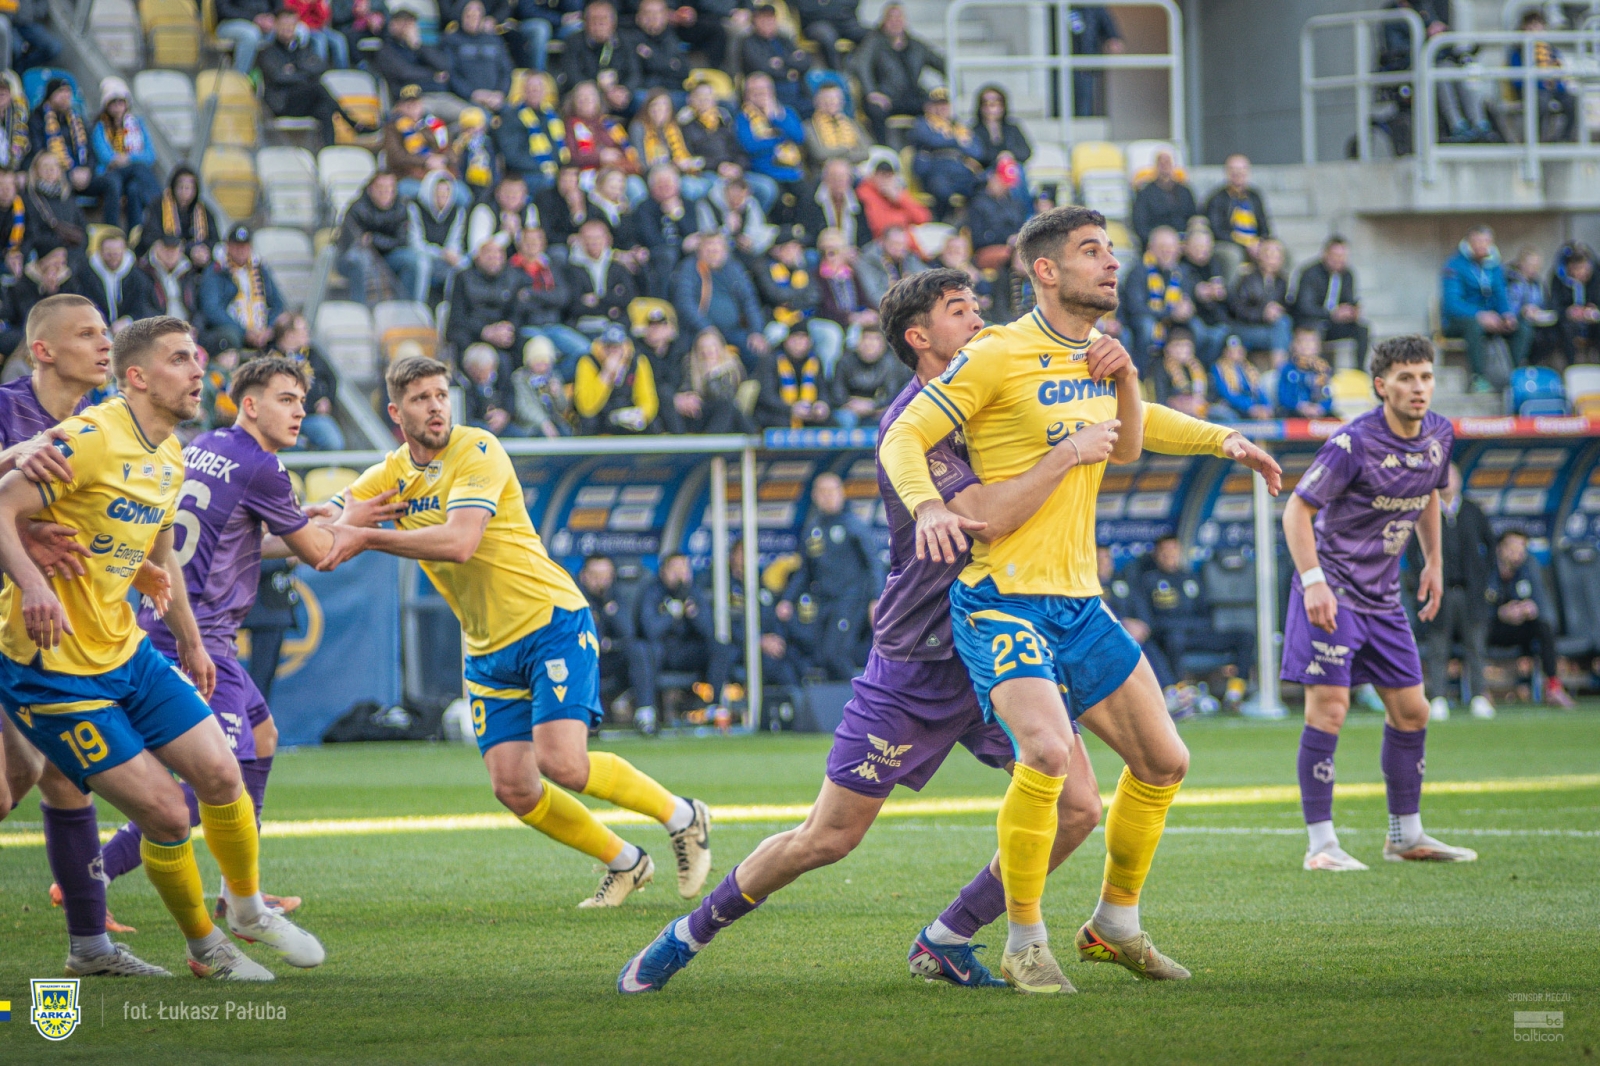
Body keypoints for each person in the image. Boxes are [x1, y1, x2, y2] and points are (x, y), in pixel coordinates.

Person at [616, 269, 1115, 995]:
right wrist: (1068, 451)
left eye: (978, 307)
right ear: (920, 338)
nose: (979, 320)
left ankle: (948, 937)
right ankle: (685, 935)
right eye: (959, 311)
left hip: (1004, 641)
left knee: (1078, 807)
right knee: (829, 837)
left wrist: (1106, 367)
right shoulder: (911, 422)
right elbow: (983, 515)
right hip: (921, 659)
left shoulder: (1000, 394)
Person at [878, 206, 1281, 992]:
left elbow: (1130, 435)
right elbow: (903, 435)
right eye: (1092, 251)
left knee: (1165, 761)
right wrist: (928, 507)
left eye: (1110, 250)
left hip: (1079, 603)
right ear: (1046, 270)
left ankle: (1114, 923)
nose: (1111, 263)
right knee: (1047, 752)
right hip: (1001, 596)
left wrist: (1222, 439)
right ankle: (1023, 939)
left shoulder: (1094, 355)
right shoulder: (996, 352)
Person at [319, 355, 715, 907]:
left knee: (563, 764)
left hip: (549, 622)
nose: (435, 406)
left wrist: (366, 536)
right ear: (395, 412)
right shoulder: (390, 475)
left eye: (441, 395)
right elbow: (323, 522)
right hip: (487, 647)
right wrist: (249, 532)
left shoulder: (477, 448)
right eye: (420, 398)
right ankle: (626, 861)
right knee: (514, 787)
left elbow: (460, 542)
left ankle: (683, 815)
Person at [0, 315, 327, 980]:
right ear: (139, 377)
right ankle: (206, 947)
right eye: (180, 359)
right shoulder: (91, 438)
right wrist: (32, 584)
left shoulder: (173, 451)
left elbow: (160, 550)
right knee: (167, 814)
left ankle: (247, 909)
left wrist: (189, 639)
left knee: (222, 775)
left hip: (126, 651)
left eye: (197, 357)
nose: (198, 371)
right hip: (52, 667)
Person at [94, 356, 349, 910]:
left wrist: (306, 523)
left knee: (262, 737)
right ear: (250, 405)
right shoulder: (262, 466)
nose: (299, 412)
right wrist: (361, 523)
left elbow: (240, 537)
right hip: (197, 637)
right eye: (286, 399)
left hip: (176, 623)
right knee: (208, 785)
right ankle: (92, 875)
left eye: (302, 401)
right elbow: (320, 556)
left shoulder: (206, 444)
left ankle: (241, 890)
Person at [0, 295, 171, 976]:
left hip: (39, 634)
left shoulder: (106, 421)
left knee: (62, 781)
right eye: (86, 334)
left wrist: (138, 568)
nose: (106, 344)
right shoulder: (10, 412)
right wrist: (12, 457)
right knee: (14, 782)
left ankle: (90, 949)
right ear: (43, 351)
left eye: (107, 332)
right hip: (17, 623)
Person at [1282, 334, 1478, 872]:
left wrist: (1434, 561)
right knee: (1330, 709)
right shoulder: (1353, 443)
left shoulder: (1439, 434)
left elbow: (1429, 493)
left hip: (1384, 597)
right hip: (1333, 591)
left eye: (1426, 377)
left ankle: (1405, 835)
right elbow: (1296, 511)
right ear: (1380, 386)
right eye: (1406, 378)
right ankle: (1321, 845)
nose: (1419, 388)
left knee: (1414, 711)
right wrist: (1314, 582)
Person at [1408, 463, 1495, 720]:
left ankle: (1478, 696)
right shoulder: (1424, 510)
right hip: (1439, 592)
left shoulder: (1472, 511)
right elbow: (1412, 552)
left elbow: (1490, 547)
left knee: (1475, 645)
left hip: (1471, 592)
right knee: (1438, 645)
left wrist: (1483, 579)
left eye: (1451, 476)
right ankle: (1438, 697)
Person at [1136, 535, 1253, 707]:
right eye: (1165, 551)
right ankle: (1179, 694)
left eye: (1173, 550)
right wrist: (1178, 626)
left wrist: (1187, 625)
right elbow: (1150, 623)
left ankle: (1235, 694)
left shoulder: (1191, 578)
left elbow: (1206, 616)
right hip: (1170, 638)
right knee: (1175, 638)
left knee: (1245, 637)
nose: (1170, 555)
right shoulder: (1148, 581)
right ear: (1157, 554)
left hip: (1197, 635)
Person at [630, 553, 736, 731]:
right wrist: (673, 615)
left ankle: (714, 706)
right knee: (643, 649)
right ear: (663, 572)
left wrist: (693, 614)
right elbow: (650, 631)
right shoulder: (652, 591)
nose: (680, 575)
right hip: (660, 653)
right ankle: (646, 713)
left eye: (684, 570)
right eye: (675, 570)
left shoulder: (694, 592)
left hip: (686, 652)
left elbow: (708, 631)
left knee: (720, 647)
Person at [1485, 530, 1575, 708]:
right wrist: (1500, 613)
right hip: (1493, 629)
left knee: (1543, 627)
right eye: (1512, 548)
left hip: (1519, 628)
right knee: (1475, 630)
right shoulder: (1485, 568)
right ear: (1499, 549)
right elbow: (1476, 609)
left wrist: (1529, 609)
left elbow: (1541, 605)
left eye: (1521, 549)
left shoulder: (1529, 566)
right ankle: (1479, 691)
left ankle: (1553, 688)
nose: (1517, 554)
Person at [1440, 224, 1533, 391]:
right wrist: (1480, 315)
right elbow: (1452, 304)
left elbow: (1500, 294)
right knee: (1474, 326)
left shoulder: (1494, 266)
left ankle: (1515, 376)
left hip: (1491, 318)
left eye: (1486, 242)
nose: (1482, 246)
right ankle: (1478, 377)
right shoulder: (1454, 266)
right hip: (1460, 321)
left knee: (1522, 327)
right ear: (1469, 243)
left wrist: (1506, 315)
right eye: (1478, 242)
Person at [850, 3, 944, 143]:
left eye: (899, 18)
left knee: (940, 105)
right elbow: (860, 65)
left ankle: (935, 145)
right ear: (884, 21)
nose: (895, 22)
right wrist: (871, 92)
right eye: (891, 18)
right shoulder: (873, 42)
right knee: (874, 109)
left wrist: (948, 88)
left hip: (913, 96)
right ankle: (882, 148)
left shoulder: (916, 45)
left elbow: (941, 63)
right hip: (886, 96)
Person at [671, 232, 768, 361]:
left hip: (734, 330)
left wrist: (756, 331)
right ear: (699, 250)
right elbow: (685, 303)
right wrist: (706, 328)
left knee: (757, 352)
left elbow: (749, 300)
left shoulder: (734, 268)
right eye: (709, 248)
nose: (714, 252)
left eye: (717, 248)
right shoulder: (689, 268)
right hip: (700, 330)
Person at [1119, 225, 1199, 376]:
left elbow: (1187, 300)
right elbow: (1135, 308)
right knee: (1147, 326)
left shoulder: (1182, 272)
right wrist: (1170, 313)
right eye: (1162, 247)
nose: (1168, 252)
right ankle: (1139, 375)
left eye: (1172, 248)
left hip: (1173, 322)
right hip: (1142, 322)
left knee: (1198, 329)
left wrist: (1187, 309)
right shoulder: (1137, 271)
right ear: (1151, 248)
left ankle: (1196, 379)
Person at [258, 9, 346, 145]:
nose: (288, 29)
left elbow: (321, 67)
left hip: (302, 101)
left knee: (324, 109)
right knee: (317, 88)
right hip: (282, 103)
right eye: (284, 25)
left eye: (291, 25)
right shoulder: (268, 51)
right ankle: (351, 121)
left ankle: (329, 151)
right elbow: (278, 77)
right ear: (276, 26)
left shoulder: (301, 49)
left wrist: (295, 69)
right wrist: (305, 74)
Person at [509, 227, 589, 372]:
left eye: (536, 241)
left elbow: (562, 297)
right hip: (527, 327)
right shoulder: (511, 269)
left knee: (585, 351)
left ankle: (558, 376)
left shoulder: (550, 268)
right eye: (528, 241)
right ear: (519, 244)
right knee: (542, 353)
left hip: (553, 325)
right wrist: (547, 297)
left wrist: (531, 294)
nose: (532, 244)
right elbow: (517, 304)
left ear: (543, 244)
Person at [197, 226, 285, 355]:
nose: (241, 250)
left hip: (261, 326)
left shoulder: (261, 269)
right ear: (228, 246)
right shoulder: (216, 270)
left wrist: (269, 328)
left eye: (245, 246)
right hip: (233, 328)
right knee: (229, 337)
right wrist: (243, 331)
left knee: (290, 329)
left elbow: (278, 303)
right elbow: (212, 309)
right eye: (236, 246)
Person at [89, 78, 161, 235]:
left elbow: (150, 155)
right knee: (138, 169)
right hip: (110, 172)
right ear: (106, 105)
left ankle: (135, 234)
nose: (118, 106)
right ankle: (160, 207)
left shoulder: (138, 124)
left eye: (121, 102)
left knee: (134, 188)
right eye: (113, 102)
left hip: (131, 173)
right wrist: (129, 159)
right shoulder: (100, 126)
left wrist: (128, 159)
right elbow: (106, 156)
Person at [1097, 546, 1174, 690]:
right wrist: (1122, 625)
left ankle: (1169, 689)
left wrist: (1142, 626)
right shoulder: (1087, 589)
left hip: (1132, 637)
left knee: (1150, 647)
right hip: (1105, 637)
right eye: (1098, 558)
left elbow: (1142, 612)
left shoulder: (1124, 583)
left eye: (1106, 558)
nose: (1103, 563)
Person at [265, 313, 345, 450]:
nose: (307, 334)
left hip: (311, 415)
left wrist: (327, 399)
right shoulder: (268, 357)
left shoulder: (312, 354)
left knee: (334, 442)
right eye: (303, 330)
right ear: (289, 335)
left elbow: (332, 378)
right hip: (281, 420)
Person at [339, 172, 421, 304]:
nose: (385, 193)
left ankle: (405, 307)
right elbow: (349, 242)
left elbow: (401, 241)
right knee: (359, 260)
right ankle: (360, 307)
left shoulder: (401, 208)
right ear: (370, 189)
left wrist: (374, 240)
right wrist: (367, 243)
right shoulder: (357, 208)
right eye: (380, 188)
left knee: (411, 260)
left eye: (389, 188)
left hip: (388, 256)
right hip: (358, 257)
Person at [30, 78, 109, 213]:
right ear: (50, 96)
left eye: (68, 92)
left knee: (111, 182)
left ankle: (111, 225)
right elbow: (39, 153)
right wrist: (68, 173)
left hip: (83, 174)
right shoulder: (37, 118)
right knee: (61, 184)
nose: (65, 96)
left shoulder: (77, 118)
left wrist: (87, 170)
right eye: (60, 92)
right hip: (57, 173)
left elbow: (90, 150)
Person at [449, 236, 526, 369]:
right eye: (489, 255)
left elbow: (516, 313)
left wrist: (507, 329)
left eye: (498, 256)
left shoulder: (513, 278)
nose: (494, 259)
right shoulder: (463, 278)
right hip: (472, 334)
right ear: (478, 257)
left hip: (501, 335)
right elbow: (457, 318)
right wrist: (484, 332)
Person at [661, 326, 754, 434]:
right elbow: (686, 390)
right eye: (702, 348)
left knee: (728, 407)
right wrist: (688, 398)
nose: (707, 352)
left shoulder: (732, 367)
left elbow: (726, 396)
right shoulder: (690, 366)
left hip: (724, 416)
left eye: (712, 347)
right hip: (697, 414)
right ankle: (753, 433)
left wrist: (711, 376)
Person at [909, 87, 983, 222]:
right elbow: (932, 140)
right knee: (941, 189)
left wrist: (950, 138)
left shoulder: (959, 127)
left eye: (944, 105)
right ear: (928, 107)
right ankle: (943, 220)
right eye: (936, 104)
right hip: (936, 172)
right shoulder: (923, 123)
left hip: (960, 172)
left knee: (982, 186)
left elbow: (977, 151)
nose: (941, 109)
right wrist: (957, 141)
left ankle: (967, 222)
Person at [574, 321, 661, 434]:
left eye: (616, 347)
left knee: (652, 425)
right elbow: (586, 407)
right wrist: (605, 375)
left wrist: (640, 415)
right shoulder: (588, 362)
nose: (612, 352)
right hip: (600, 415)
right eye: (608, 347)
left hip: (626, 411)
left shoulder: (637, 361)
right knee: (589, 422)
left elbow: (648, 398)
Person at [1293, 235, 1369, 362]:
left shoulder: (1347, 275)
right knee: (1316, 331)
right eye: (1335, 256)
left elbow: (1349, 299)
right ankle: (1320, 368)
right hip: (1312, 321)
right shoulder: (1310, 273)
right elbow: (1305, 306)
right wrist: (1331, 314)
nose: (1339, 260)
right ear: (1325, 254)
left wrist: (1352, 311)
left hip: (1334, 323)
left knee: (1362, 330)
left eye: (1342, 256)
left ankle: (1360, 369)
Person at [496, 71, 568, 196]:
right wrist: (541, 168)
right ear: (523, 91)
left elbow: (560, 149)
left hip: (553, 171)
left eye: (538, 88)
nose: (535, 92)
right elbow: (512, 155)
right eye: (531, 88)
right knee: (547, 183)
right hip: (527, 174)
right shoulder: (511, 117)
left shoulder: (553, 117)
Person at [71, 228, 159, 329]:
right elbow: (81, 301)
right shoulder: (85, 274)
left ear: (124, 251)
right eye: (108, 252)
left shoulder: (137, 276)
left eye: (117, 252)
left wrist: (128, 320)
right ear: (100, 251)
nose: (113, 257)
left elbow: (144, 305)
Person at [631, 94, 709, 204]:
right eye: (655, 105)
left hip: (674, 174)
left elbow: (680, 154)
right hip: (650, 175)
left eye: (664, 106)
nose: (659, 109)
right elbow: (640, 161)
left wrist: (682, 164)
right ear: (647, 108)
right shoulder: (638, 127)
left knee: (697, 185)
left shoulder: (674, 129)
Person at [1202, 154, 1270, 279]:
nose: (1238, 173)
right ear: (1227, 172)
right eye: (1233, 169)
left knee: (1279, 252)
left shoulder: (1255, 196)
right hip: (1228, 244)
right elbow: (1217, 231)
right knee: (1233, 255)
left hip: (1254, 244)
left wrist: (1261, 243)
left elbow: (1264, 225)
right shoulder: (1217, 198)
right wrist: (1245, 244)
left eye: (1242, 169)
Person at [567, 218, 638, 335]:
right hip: (583, 328)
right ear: (580, 240)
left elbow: (628, 297)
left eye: (597, 238)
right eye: (588, 238)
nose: (593, 242)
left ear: (607, 239)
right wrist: (609, 310)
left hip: (616, 325)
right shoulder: (572, 267)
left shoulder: (617, 266)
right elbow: (575, 305)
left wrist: (598, 299)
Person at [830, 323, 907, 429]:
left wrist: (871, 405)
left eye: (875, 341)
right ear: (858, 343)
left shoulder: (890, 363)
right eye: (866, 340)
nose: (869, 345)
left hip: (878, 410)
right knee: (845, 418)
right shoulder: (844, 362)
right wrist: (853, 405)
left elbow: (892, 395)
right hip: (850, 409)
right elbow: (837, 394)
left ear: (883, 346)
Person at [1228, 237, 1292, 364]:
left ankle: (1279, 365)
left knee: (1283, 325)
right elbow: (1237, 310)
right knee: (1282, 330)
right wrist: (1263, 314)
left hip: (1269, 328)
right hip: (1246, 327)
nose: (1272, 258)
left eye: (1277, 254)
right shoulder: (1247, 278)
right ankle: (1280, 368)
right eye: (1268, 253)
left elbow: (1286, 306)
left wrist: (1279, 310)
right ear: (1260, 256)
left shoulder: (1282, 281)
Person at [577, 554, 629, 709]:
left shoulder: (615, 597)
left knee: (639, 651)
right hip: (584, 658)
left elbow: (628, 633)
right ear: (583, 576)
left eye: (606, 576)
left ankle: (644, 710)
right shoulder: (575, 598)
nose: (601, 581)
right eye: (595, 575)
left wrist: (610, 609)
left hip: (611, 659)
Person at [558, 0, 638, 100]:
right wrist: (597, 90)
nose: (599, 24)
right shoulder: (573, 42)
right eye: (594, 20)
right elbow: (573, 75)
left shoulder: (625, 40)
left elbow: (634, 72)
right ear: (586, 22)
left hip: (618, 95)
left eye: (604, 20)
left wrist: (624, 90)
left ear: (614, 22)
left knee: (640, 97)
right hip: (587, 95)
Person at [755, 322, 830, 428]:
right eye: (795, 338)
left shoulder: (815, 361)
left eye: (803, 338)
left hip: (808, 412)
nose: (799, 343)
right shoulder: (771, 360)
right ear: (786, 341)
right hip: (777, 412)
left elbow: (823, 389)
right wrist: (791, 409)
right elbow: (767, 396)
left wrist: (822, 404)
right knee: (781, 422)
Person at [740, 4, 811, 117]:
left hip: (799, 89)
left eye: (771, 18)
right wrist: (790, 71)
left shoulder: (784, 39)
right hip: (773, 91)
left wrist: (781, 62)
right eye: (763, 19)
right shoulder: (749, 43)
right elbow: (761, 67)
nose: (768, 22)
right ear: (755, 20)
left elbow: (805, 61)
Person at [382, 85, 452, 198]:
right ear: (399, 106)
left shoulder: (433, 124)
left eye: (416, 103)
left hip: (438, 176)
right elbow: (396, 156)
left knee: (462, 194)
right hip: (408, 176)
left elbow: (449, 150)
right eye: (408, 104)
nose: (412, 107)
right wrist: (425, 161)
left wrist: (442, 159)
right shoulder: (393, 127)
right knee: (413, 191)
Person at [445, 0, 514, 115]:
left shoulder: (494, 40)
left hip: (496, 99)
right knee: (481, 117)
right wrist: (472, 94)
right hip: (466, 100)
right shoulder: (451, 40)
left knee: (515, 117)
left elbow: (506, 70)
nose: (473, 20)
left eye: (477, 16)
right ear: (461, 16)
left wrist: (500, 94)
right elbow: (451, 74)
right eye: (469, 16)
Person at [372, 9, 454, 104]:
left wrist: (418, 45)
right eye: (405, 24)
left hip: (435, 92)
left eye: (411, 24)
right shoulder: (386, 50)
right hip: (408, 100)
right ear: (393, 25)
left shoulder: (417, 47)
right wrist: (433, 75)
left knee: (463, 109)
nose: (409, 29)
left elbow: (443, 65)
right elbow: (405, 73)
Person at [410, 171, 468, 303]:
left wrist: (452, 254)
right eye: (438, 192)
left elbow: (455, 240)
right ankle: (419, 304)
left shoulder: (457, 212)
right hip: (424, 255)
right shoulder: (415, 208)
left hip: (444, 258)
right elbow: (415, 244)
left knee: (463, 264)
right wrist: (441, 253)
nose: (443, 197)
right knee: (422, 264)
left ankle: (451, 306)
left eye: (446, 192)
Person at [137, 166, 216, 257]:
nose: (184, 191)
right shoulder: (157, 206)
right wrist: (184, 249)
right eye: (181, 187)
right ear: (173, 187)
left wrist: (204, 251)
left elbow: (214, 240)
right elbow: (150, 236)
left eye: (188, 188)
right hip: (166, 255)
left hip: (197, 258)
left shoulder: (204, 211)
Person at [23, 151, 87, 259]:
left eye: (55, 165)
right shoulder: (29, 199)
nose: (51, 170)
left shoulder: (68, 198)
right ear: (35, 171)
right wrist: (60, 250)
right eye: (45, 166)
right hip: (44, 256)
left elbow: (83, 231)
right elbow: (33, 235)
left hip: (73, 255)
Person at [968, 166, 1028, 272]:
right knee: (1015, 256)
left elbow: (1020, 225)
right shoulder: (978, 203)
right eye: (1002, 182)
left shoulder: (1013, 203)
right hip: (988, 248)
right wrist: (1007, 238)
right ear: (993, 177)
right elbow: (978, 238)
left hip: (1014, 247)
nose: (1005, 188)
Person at [1131, 150, 1196, 249]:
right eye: (1161, 163)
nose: (1164, 166)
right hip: (1156, 243)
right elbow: (1140, 224)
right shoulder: (1145, 193)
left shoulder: (1185, 191)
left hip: (1184, 243)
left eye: (1167, 162)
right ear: (1155, 167)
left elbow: (1193, 217)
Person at [857, 159, 931, 244]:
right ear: (874, 175)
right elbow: (879, 226)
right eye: (882, 175)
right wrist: (902, 218)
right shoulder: (865, 192)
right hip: (881, 243)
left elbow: (923, 218)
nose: (885, 180)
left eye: (889, 176)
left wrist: (899, 199)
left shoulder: (899, 193)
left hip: (905, 243)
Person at [1549, 241, 1600, 365]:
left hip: (1592, 320)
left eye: (1584, 268)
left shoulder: (1596, 277)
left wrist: (1594, 309)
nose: (1581, 273)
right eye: (1577, 269)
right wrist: (1568, 311)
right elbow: (1554, 305)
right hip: (1568, 323)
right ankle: (1570, 366)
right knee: (1565, 329)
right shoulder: (1558, 280)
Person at [625, 0, 689, 98]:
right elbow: (635, 74)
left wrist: (650, 56)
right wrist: (668, 64)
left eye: (658, 13)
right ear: (638, 17)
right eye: (648, 13)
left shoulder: (672, 39)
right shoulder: (629, 39)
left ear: (666, 17)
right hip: (643, 92)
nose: (653, 17)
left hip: (672, 91)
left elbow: (683, 71)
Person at [511, 335, 572, 436]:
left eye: (546, 362)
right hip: (531, 426)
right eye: (538, 363)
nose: (543, 367)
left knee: (565, 432)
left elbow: (562, 408)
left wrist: (557, 395)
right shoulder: (520, 379)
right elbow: (523, 408)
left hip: (554, 421)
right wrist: (543, 422)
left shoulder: (553, 377)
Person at [1068, 5, 1122, 117]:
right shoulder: (1057, 7)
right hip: (1059, 67)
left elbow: (1111, 33)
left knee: (1084, 106)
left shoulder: (1094, 6)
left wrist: (1113, 40)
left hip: (1086, 65)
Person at [804, 82, 871, 169]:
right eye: (826, 99)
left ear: (842, 101)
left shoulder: (853, 124)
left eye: (835, 99)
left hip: (855, 169)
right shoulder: (809, 126)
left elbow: (865, 152)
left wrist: (840, 158)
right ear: (816, 102)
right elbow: (820, 154)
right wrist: (847, 149)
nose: (830, 103)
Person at [970, 84, 1031, 178]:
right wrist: (998, 158)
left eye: (996, 103)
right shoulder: (973, 130)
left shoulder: (1012, 128)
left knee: (1016, 170)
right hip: (987, 171)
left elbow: (1025, 151)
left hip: (1011, 168)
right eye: (986, 103)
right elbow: (977, 154)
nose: (991, 107)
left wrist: (1009, 155)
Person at [859, 226, 927, 308]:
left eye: (903, 244)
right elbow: (874, 295)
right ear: (882, 242)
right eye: (895, 244)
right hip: (885, 309)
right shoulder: (868, 261)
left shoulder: (908, 257)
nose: (900, 248)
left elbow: (926, 278)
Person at [459, 341, 519, 435]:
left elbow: (509, 396)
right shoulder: (461, 383)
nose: (483, 377)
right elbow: (466, 414)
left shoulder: (502, 374)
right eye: (478, 373)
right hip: (476, 425)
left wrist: (504, 414)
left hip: (501, 422)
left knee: (518, 433)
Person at [1210, 334, 1272, 421]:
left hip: (1251, 406)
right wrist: (1249, 407)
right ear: (1225, 352)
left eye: (1239, 349)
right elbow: (1227, 394)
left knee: (1266, 414)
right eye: (1231, 350)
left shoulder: (1248, 368)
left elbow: (1259, 390)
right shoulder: (1219, 368)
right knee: (1229, 416)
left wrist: (1266, 406)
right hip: (1230, 406)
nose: (1236, 353)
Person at [139, 235, 200, 322]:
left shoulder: (189, 272)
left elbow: (197, 307)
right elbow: (144, 307)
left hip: (186, 324)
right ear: (157, 249)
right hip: (158, 325)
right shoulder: (145, 272)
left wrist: (195, 326)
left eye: (174, 250)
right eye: (166, 250)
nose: (170, 255)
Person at [1277, 328, 1334, 418]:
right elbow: (1284, 397)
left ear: (1318, 347)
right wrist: (1301, 406)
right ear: (1294, 346)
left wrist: (1320, 408)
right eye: (1302, 342)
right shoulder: (1287, 369)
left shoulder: (1323, 371)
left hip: (1317, 412)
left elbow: (1327, 397)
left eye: (1311, 342)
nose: (1306, 346)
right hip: (1294, 412)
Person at [1151, 328, 1207, 418]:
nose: (1181, 350)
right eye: (1177, 346)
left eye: (1186, 346)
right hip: (1170, 414)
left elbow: (1208, 393)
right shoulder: (1160, 367)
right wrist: (1179, 402)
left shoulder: (1196, 367)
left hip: (1196, 411)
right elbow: (1160, 397)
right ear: (1167, 349)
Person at [214, 0, 276, 74]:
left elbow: (277, 5)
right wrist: (254, 18)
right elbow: (223, 9)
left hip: (262, 23)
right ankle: (239, 76)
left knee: (279, 31)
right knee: (250, 35)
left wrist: (271, 17)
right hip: (229, 22)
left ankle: (276, 76)